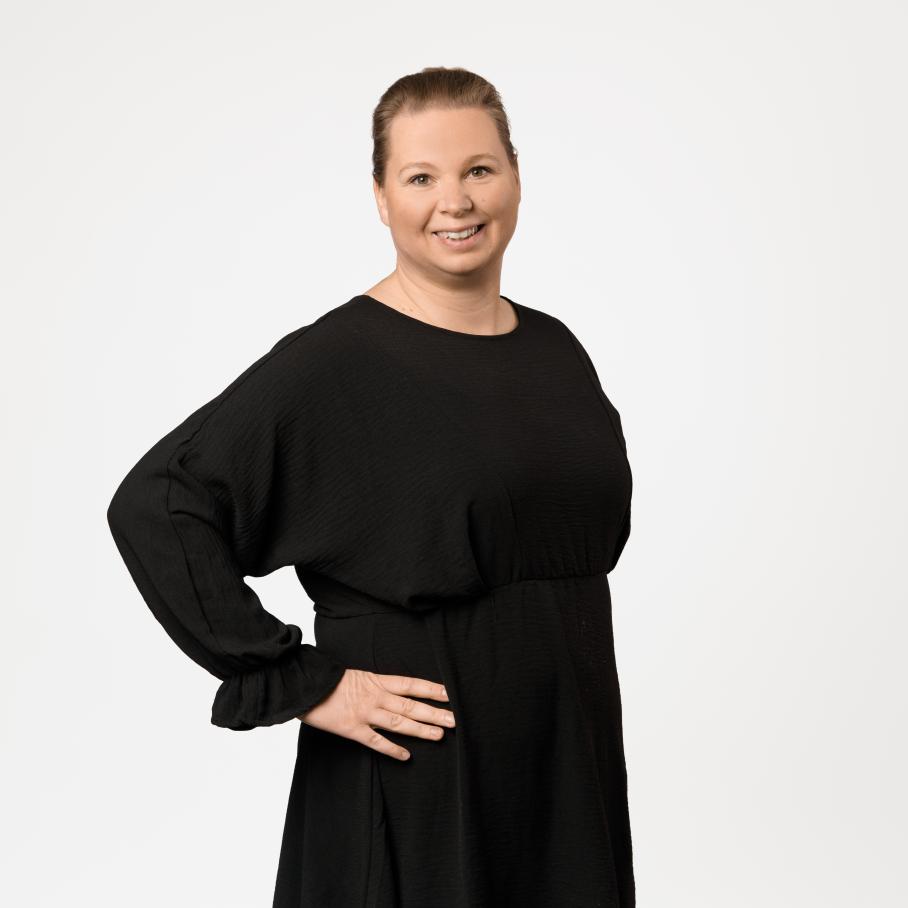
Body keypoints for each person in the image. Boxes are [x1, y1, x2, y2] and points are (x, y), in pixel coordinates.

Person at [106, 65, 636, 908]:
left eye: (478, 169)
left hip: (565, 778)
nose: (455, 201)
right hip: (419, 783)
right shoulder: (337, 363)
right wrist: (302, 681)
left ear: (515, 176)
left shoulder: (556, 350)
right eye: (421, 178)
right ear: (382, 198)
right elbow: (160, 505)